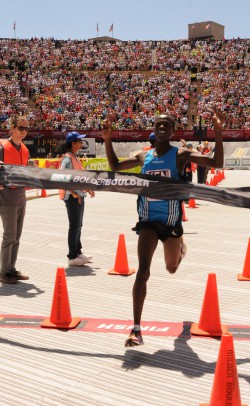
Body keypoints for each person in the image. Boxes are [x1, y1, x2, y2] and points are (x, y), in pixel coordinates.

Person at [102, 109, 224, 346]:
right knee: (143, 271)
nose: (161, 127)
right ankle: (136, 329)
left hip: (171, 221)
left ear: (172, 131)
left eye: (166, 125)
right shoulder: (142, 156)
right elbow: (115, 166)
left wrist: (217, 133)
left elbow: (216, 163)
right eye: (158, 124)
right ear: (153, 128)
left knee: (171, 268)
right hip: (148, 220)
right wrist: (108, 140)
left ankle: (180, 248)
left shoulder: (180, 154)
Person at [0, 116, 30, 284]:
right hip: (7, 197)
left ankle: (11, 268)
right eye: (21, 128)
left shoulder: (25, 149)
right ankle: (4, 272)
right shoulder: (3, 147)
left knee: (17, 236)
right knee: (9, 236)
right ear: (12, 128)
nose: (24, 131)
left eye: (26, 129)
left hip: (20, 196)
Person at [59, 131, 95, 267]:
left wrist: (87, 188)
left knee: (78, 225)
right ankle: (72, 256)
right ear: (73, 143)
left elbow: (77, 177)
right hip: (73, 197)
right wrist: (73, 193)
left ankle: (78, 252)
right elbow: (62, 178)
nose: (82, 142)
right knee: (74, 226)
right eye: (79, 140)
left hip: (78, 195)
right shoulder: (67, 158)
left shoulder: (74, 157)